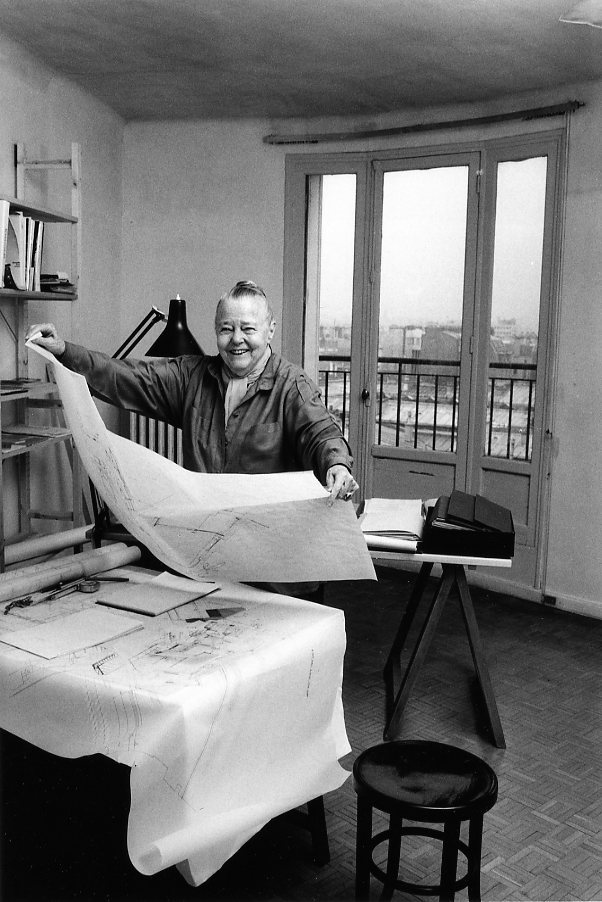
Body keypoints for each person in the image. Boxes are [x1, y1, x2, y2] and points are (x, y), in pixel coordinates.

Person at [27, 280, 359, 505]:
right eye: (226, 329)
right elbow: (124, 375)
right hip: (207, 544)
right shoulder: (191, 377)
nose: (236, 339)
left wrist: (336, 466)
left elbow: (321, 434)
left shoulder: (293, 386)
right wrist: (64, 350)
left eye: (248, 329)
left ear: (270, 330)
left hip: (271, 556)